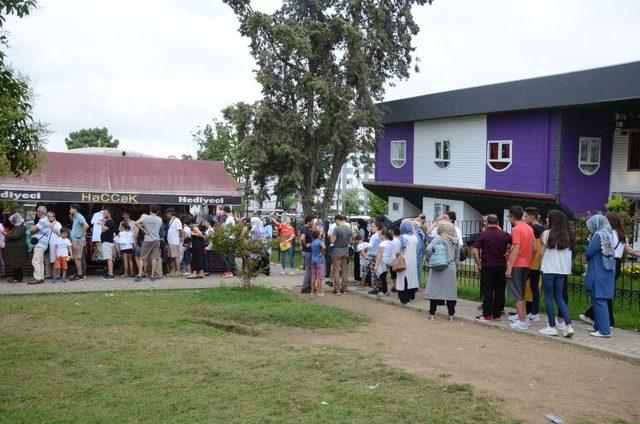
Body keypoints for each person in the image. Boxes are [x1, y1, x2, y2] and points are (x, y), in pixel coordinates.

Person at [580, 211, 640, 327]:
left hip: (606, 262)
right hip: (617, 264)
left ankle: (605, 321)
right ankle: (598, 319)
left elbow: (602, 250)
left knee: (602, 294)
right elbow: (629, 251)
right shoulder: (622, 235)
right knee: (606, 293)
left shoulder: (607, 234)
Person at [538, 209, 575, 337]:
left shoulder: (546, 234)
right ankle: (568, 325)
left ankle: (552, 326)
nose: (547, 219)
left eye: (548, 217)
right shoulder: (569, 235)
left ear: (553, 220)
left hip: (548, 269)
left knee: (548, 298)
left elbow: (541, 253)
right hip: (562, 270)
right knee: (559, 298)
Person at [472, 214, 512, 322]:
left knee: (488, 290)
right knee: (500, 290)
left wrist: (479, 264)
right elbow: (515, 244)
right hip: (501, 265)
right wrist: (508, 253)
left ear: (487, 222)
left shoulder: (483, 234)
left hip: (487, 265)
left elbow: (475, 251)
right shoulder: (505, 234)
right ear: (498, 222)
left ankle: (487, 315)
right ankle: (497, 315)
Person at [583, 214, 616, 338]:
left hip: (598, 271)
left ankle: (604, 330)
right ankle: (599, 327)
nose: (590, 228)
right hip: (607, 271)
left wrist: (590, 242)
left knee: (598, 299)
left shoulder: (598, 235)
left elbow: (589, 252)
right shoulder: (609, 234)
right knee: (601, 299)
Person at [506, 205, 535, 330]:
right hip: (526, 264)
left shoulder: (517, 229)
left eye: (508, 216)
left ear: (512, 217)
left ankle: (522, 321)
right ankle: (524, 318)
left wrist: (509, 267)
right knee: (521, 292)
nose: (508, 218)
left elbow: (516, 249)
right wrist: (529, 259)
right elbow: (534, 247)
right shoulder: (529, 228)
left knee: (517, 294)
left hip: (517, 265)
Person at [424, 222, 460, 320]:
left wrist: (429, 258)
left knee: (435, 291)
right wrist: (455, 267)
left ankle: (432, 314)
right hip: (450, 268)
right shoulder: (455, 241)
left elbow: (428, 248)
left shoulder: (439, 238)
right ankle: (451, 315)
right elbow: (457, 259)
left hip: (438, 267)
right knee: (450, 293)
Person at [524, 207, 545, 323]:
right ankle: (533, 312)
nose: (524, 219)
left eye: (526, 216)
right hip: (537, 264)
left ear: (532, 217)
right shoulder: (542, 228)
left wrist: (528, 259)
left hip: (531, 263)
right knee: (534, 288)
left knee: (522, 286)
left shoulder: (534, 228)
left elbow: (535, 247)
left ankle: (523, 313)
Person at [134, 205, 163, 282]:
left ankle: (140, 275)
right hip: (156, 240)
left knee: (142, 258)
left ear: (150, 210)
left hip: (147, 240)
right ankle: (152, 276)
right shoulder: (159, 219)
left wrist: (143, 229)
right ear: (158, 212)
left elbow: (136, 223)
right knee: (154, 258)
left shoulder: (145, 218)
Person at [396, 221, 419, 304]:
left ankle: (404, 299)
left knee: (403, 281)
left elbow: (397, 250)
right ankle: (410, 296)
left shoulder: (401, 238)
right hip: (412, 262)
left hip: (403, 261)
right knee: (411, 280)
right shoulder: (415, 238)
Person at [330, 214, 352, 295]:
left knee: (336, 270)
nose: (335, 223)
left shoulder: (337, 229)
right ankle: (344, 289)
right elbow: (350, 241)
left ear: (338, 220)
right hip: (345, 251)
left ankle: (337, 290)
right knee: (344, 271)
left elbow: (332, 241)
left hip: (337, 251)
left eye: (335, 221)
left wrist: (332, 238)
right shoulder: (349, 229)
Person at [29, 206, 51, 284]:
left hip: (39, 244)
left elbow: (32, 230)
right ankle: (41, 277)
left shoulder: (42, 221)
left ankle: (37, 278)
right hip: (43, 244)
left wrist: (32, 228)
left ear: (40, 212)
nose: (36, 213)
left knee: (35, 261)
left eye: (37, 211)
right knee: (40, 262)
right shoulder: (46, 220)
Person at [5, 213, 27, 283]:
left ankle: (18, 278)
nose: (11, 222)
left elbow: (15, 236)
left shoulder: (20, 227)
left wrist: (6, 234)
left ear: (16, 221)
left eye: (12, 221)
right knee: (14, 263)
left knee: (17, 264)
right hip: (15, 250)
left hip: (18, 250)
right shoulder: (17, 227)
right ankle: (15, 277)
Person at [372, 230, 395, 297]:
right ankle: (385, 290)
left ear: (384, 235)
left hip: (382, 261)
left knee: (382, 276)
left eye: (380, 235)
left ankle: (384, 291)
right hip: (389, 260)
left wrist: (376, 265)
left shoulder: (382, 244)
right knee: (384, 276)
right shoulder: (390, 242)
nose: (379, 236)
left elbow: (380, 255)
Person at [69, 204, 89, 281]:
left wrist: (80, 234)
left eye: (71, 209)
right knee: (78, 258)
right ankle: (80, 273)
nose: (70, 210)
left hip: (78, 241)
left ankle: (80, 275)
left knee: (77, 258)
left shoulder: (80, 217)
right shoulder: (76, 217)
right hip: (76, 241)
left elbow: (86, 225)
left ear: (75, 209)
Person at [166, 208, 183, 277]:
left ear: (170, 213)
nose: (166, 215)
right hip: (171, 241)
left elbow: (180, 230)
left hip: (174, 241)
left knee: (176, 257)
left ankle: (178, 271)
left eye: (167, 213)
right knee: (172, 257)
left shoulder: (177, 220)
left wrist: (179, 238)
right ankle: (172, 271)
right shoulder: (171, 220)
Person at [221, 206, 237, 278]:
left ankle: (230, 271)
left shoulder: (229, 219)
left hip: (229, 239)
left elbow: (226, 230)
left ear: (224, 211)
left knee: (227, 255)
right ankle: (232, 270)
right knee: (230, 255)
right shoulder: (231, 218)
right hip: (231, 238)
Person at [100, 208, 116, 280]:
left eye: (105, 213)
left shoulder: (110, 222)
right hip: (106, 242)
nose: (103, 214)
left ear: (109, 214)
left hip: (108, 242)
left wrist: (103, 222)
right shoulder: (108, 221)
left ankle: (111, 274)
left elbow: (103, 229)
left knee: (109, 258)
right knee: (107, 258)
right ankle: (109, 273)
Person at [300, 216, 314, 293]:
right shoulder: (305, 229)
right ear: (308, 221)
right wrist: (306, 245)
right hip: (307, 252)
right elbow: (302, 238)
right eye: (312, 221)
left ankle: (308, 285)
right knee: (308, 270)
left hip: (308, 251)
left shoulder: (306, 229)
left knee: (310, 269)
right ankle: (304, 287)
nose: (313, 223)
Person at [119, 211, 135, 276]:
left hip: (124, 246)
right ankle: (131, 273)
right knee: (130, 260)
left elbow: (118, 236)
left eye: (125, 215)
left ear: (128, 215)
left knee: (125, 260)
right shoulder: (121, 223)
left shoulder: (133, 222)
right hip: (131, 245)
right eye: (123, 215)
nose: (124, 216)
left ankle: (126, 273)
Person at [310, 229, 326, 296]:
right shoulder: (320, 242)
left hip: (313, 260)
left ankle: (312, 292)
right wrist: (321, 253)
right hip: (319, 260)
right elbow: (324, 247)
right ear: (318, 235)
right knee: (320, 277)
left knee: (313, 276)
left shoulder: (313, 242)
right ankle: (319, 292)